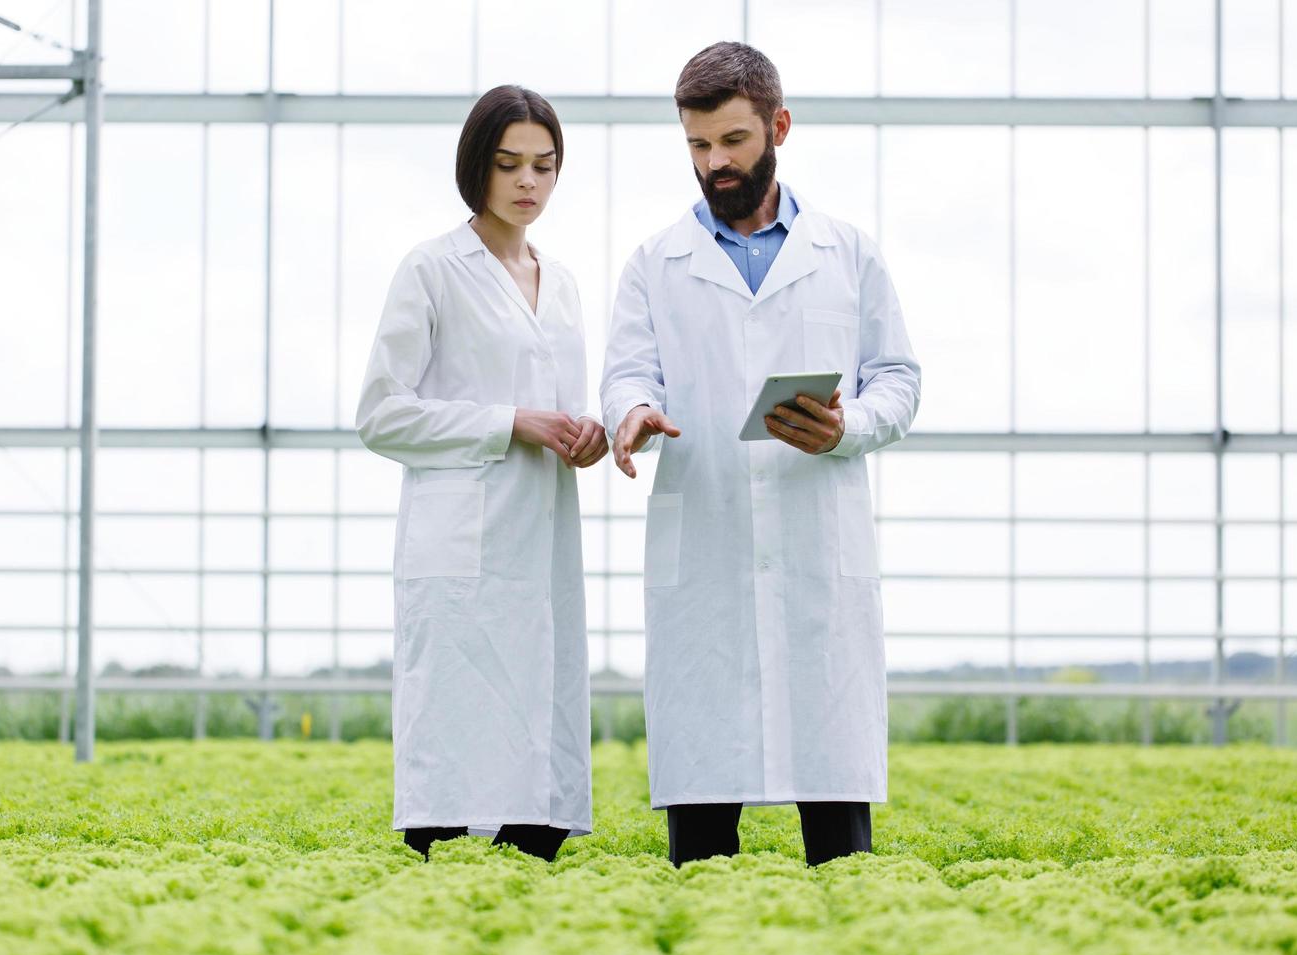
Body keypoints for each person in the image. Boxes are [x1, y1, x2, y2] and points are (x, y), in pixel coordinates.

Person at [600, 42, 921, 867]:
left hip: (817, 539)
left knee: (835, 796)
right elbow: (630, 372)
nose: (715, 163)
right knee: (704, 803)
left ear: (779, 125)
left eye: (734, 141)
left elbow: (898, 380)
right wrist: (633, 413)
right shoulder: (654, 264)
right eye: (698, 146)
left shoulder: (848, 255)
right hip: (704, 537)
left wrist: (846, 430)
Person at [357, 84, 607, 862]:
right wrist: (509, 421)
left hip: (540, 530)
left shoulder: (558, 280)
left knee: (540, 721)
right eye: (509, 165)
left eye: (544, 165)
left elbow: (560, 404)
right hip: (459, 535)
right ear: (477, 168)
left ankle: (530, 844)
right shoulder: (433, 268)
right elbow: (381, 413)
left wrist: (583, 432)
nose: (528, 182)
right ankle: (440, 855)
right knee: (456, 723)